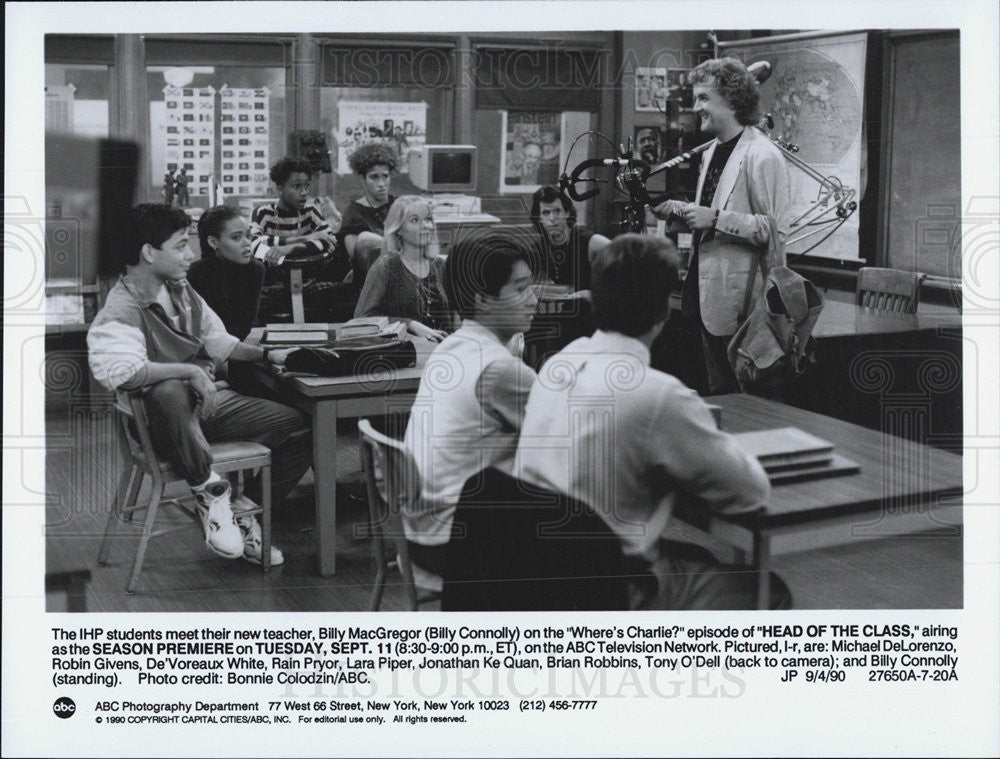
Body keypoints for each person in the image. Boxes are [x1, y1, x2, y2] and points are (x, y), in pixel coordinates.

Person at [515, 233, 791, 609]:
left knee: (701, 561)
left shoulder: (557, 365)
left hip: (540, 573)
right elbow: (750, 492)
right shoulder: (657, 394)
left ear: (595, 300)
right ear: (664, 313)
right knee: (768, 590)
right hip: (612, 590)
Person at [88, 204, 313, 567]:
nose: (190, 254)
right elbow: (122, 373)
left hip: (207, 406)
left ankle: (243, 509)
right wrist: (189, 372)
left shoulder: (181, 290)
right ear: (148, 252)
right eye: (180, 245)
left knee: (303, 426)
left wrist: (270, 355)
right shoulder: (119, 311)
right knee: (168, 389)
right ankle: (208, 490)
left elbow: (220, 341)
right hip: (162, 422)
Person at [402, 226, 538, 577]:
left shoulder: (449, 347)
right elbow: (574, 438)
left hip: (421, 535)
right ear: (482, 299)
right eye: (521, 289)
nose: (534, 299)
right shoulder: (500, 369)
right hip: (461, 545)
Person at [653, 57, 790, 394]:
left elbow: (775, 232)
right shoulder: (713, 150)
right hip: (707, 301)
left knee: (749, 405)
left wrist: (714, 218)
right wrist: (681, 212)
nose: (694, 106)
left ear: (731, 101)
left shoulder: (763, 155)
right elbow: (715, 214)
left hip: (743, 306)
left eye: (703, 98)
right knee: (722, 397)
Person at [249, 157, 340, 322]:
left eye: (306, 186)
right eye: (297, 186)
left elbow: (329, 240)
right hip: (271, 288)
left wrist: (290, 248)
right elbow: (253, 245)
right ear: (280, 188)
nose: (304, 192)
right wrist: (307, 238)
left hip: (307, 286)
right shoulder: (264, 213)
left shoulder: (310, 211)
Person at [353, 195, 450, 341]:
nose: (426, 226)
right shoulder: (386, 266)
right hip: (406, 351)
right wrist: (409, 324)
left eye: (428, 219)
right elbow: (362, 318)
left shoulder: (439, 265)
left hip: (443, 351)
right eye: (415, 220)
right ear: (399, 229)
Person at [188, 206, 263, 341]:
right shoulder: (194, 274)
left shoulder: (256, 270)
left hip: (235, 349)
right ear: (213, 242)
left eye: (248, 236)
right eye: (236, 237)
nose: (247, 243)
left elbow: (242, 329)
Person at [338, 143, 398, 290]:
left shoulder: (399, 205)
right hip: (370, 282)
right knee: (366, 239)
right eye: (374, 177)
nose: (381, 184)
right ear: (362, 179)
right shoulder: (354, 212)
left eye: (385, 176)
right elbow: (357, 257)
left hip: (401, 276)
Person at [529, 185, 610, 292]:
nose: (552, 219)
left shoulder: (591, 242)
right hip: (568, 306)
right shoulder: (539, 248)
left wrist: (593, 295)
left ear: (567, 213)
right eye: (546, 213)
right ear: (539, 219)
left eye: (557, 211)